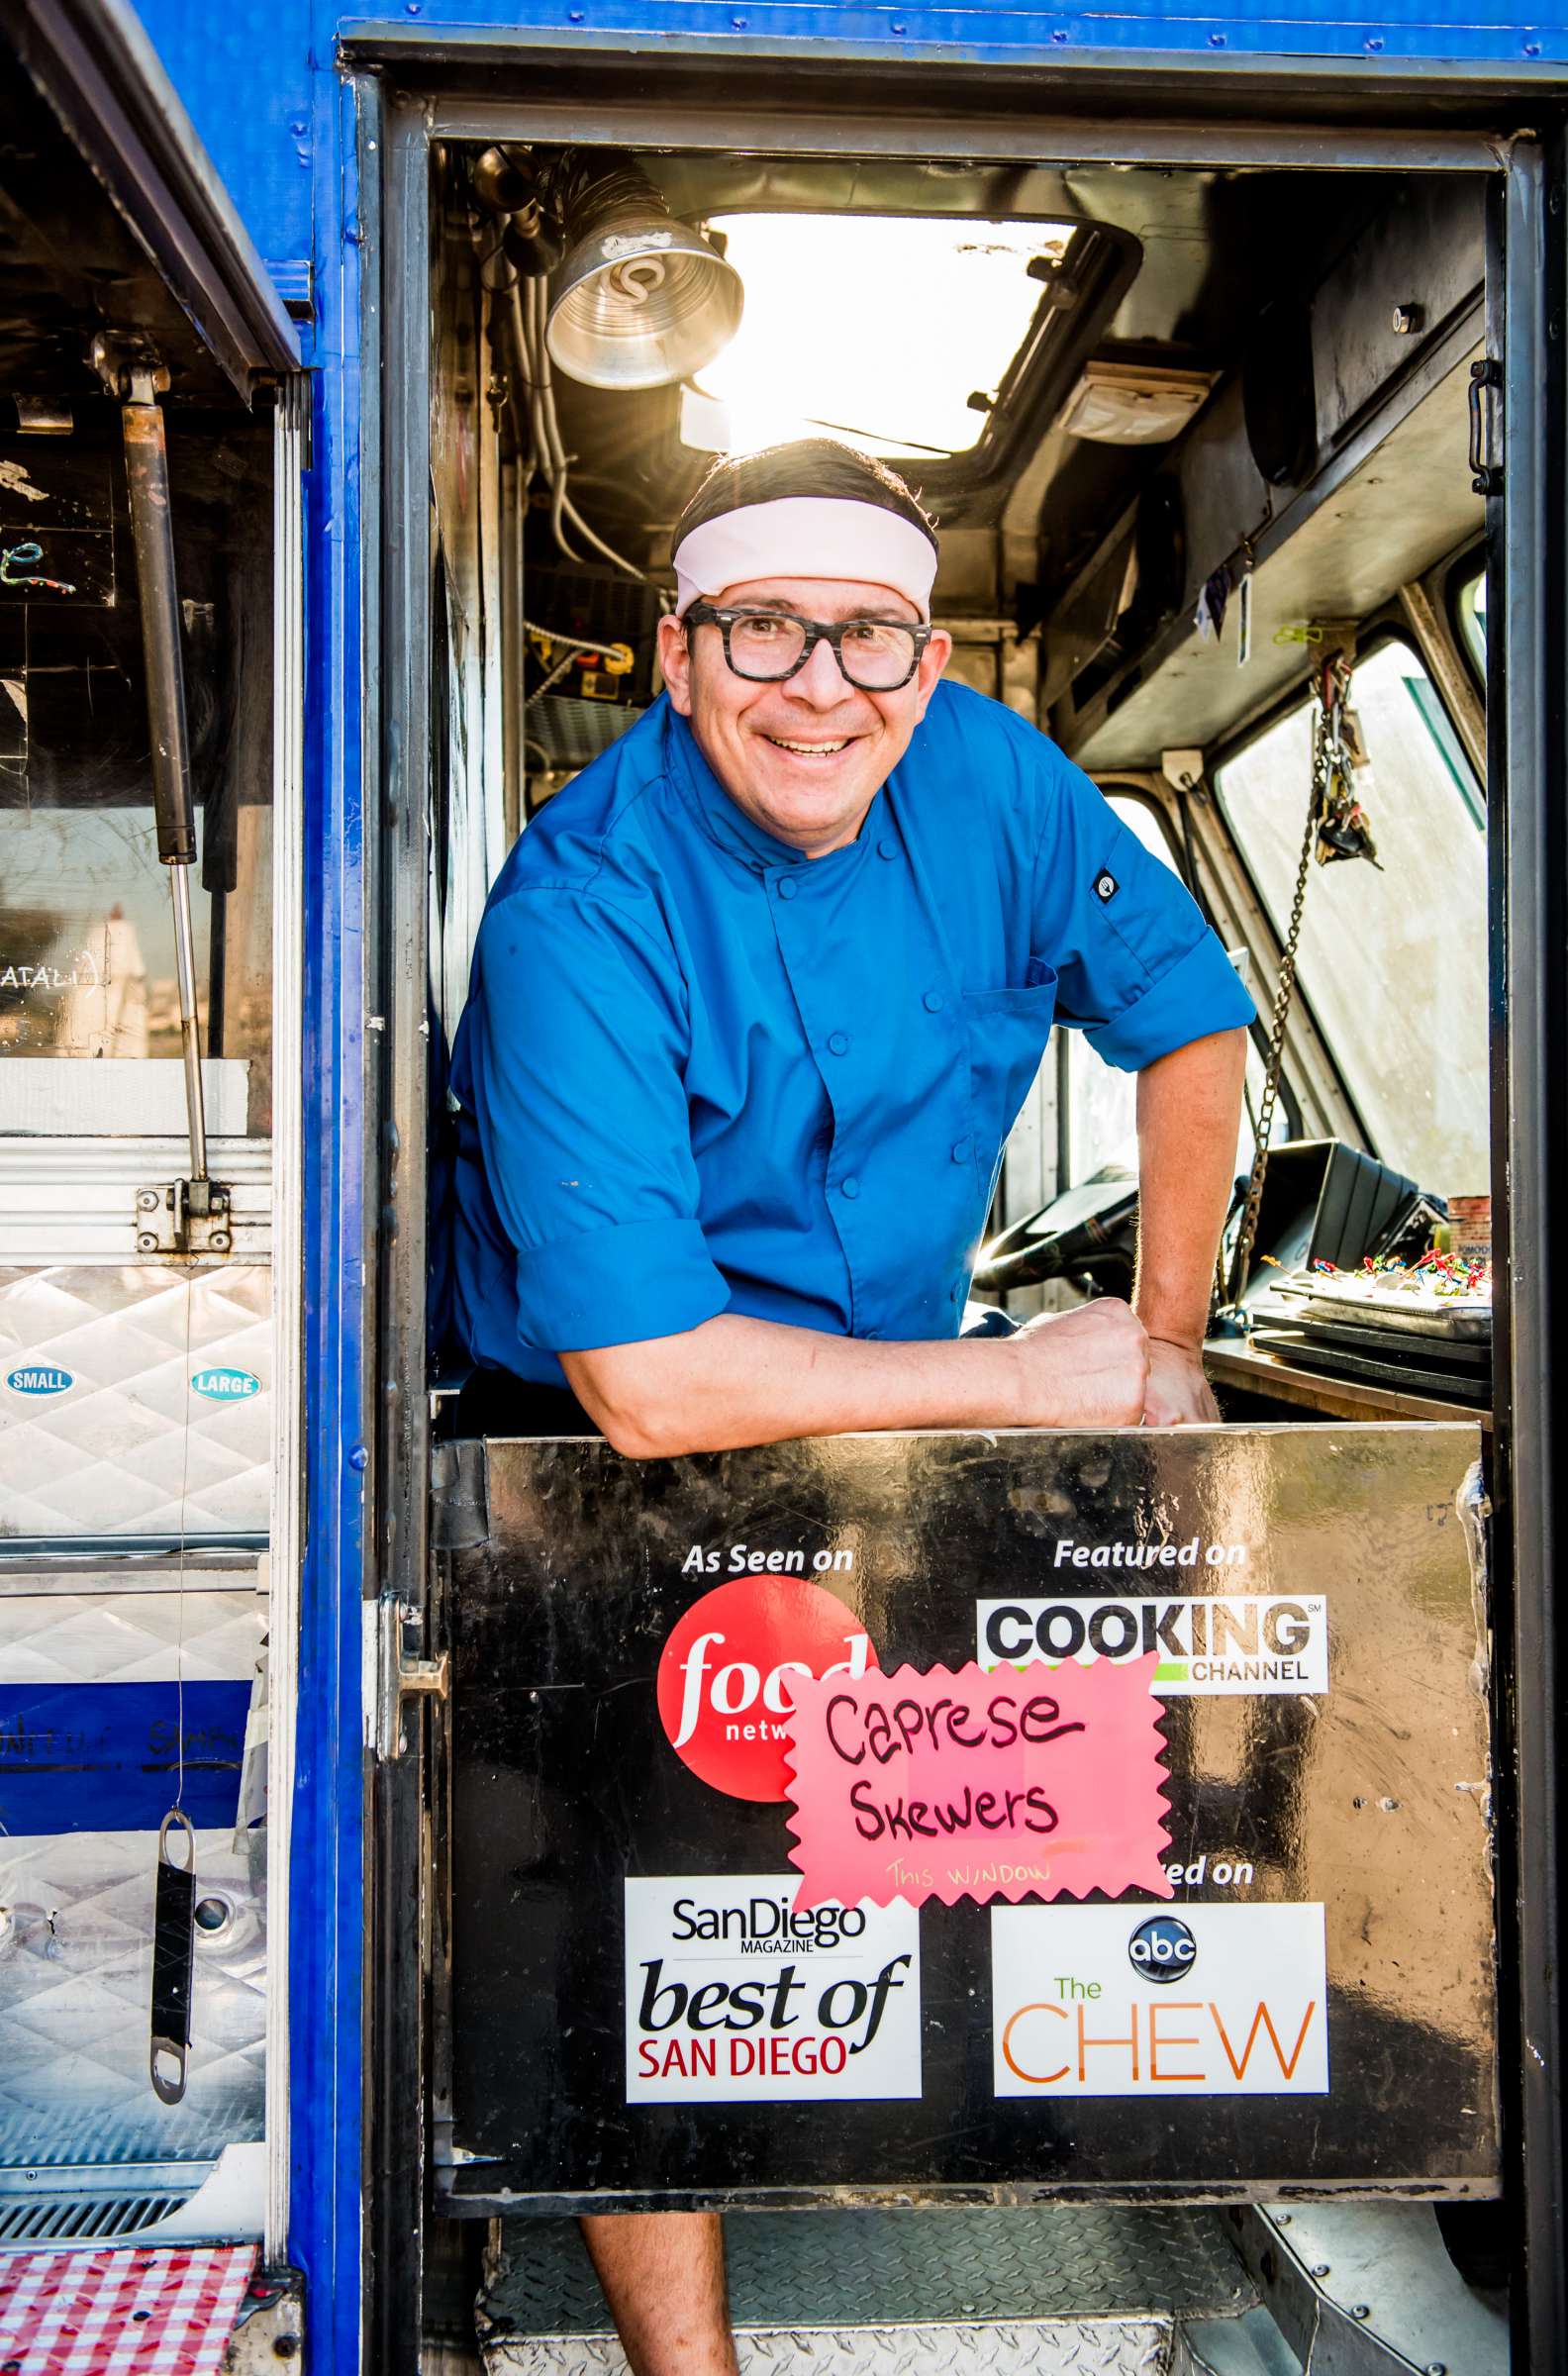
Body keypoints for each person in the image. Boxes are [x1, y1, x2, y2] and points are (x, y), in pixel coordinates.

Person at [446, 437, 1254, 2374]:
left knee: (946, 1803)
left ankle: (996, 2169)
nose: (823, 687)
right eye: (764, 632)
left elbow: (1194, 1021)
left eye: (873, 639)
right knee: (656, 1907)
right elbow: (648, 1383)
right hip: (596, 1439)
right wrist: (1017, 1379)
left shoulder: (999, 782)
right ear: (677, 652)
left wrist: (1157, 1345)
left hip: (878, 1394)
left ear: (939, 657)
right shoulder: (579, 902)